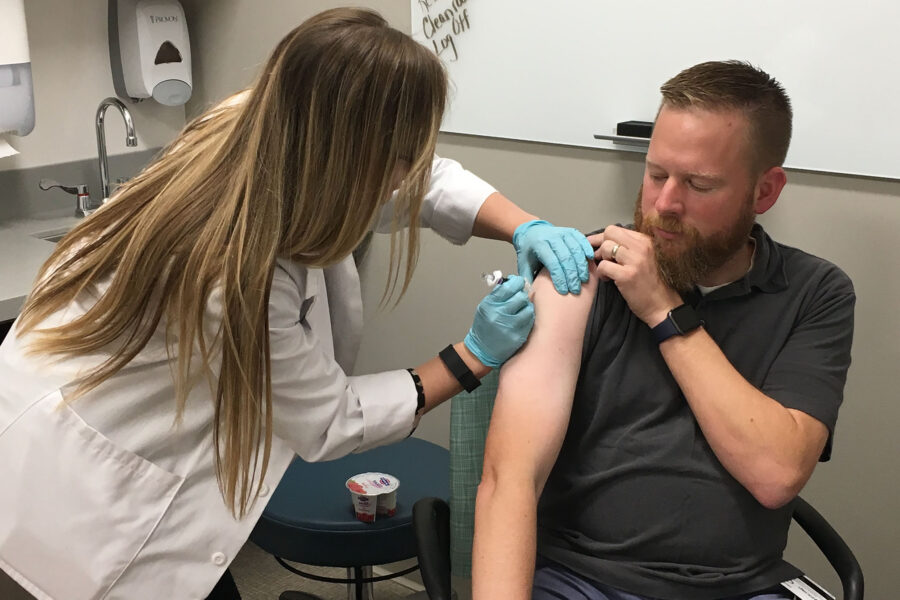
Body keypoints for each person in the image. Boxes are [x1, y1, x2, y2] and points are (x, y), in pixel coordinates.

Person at [0, 8, 594, 600]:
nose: (407, 174)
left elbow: (423, 178)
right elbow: (329, 421)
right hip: (82, 502)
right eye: (399, 157)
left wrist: (524, 225)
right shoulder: (232, 266)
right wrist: (472, 357)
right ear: (353, 158)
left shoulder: (270, 127)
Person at [472, 60, 856, 600]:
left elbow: (776, 473)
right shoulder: (579, 273)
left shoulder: (817, 293)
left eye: (699, 184)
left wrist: (663, 310)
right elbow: (508, 482)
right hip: (583, 580)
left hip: (745, 586)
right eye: (656, 174)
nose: (664, 205)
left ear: (764, 192)